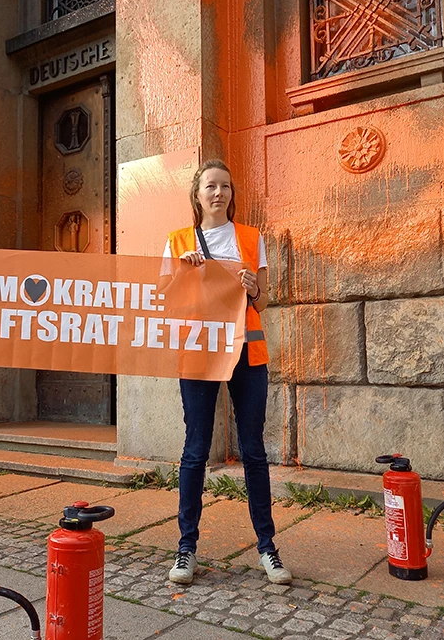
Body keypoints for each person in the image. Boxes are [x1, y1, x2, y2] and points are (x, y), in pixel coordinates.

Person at [160, 159, 291, 586]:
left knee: (253, 449)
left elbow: (264, 301)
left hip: (247, 353)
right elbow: (164, 300)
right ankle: (186, 550)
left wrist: (254, 289)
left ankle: (267, 549)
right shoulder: (178, 241)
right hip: (199, 352)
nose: (219, 193)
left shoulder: (251, 238)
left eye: (226, 187)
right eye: (211, 186)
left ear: (232, 195)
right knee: (195, 449)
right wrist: (182, 272)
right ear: (197, 195)